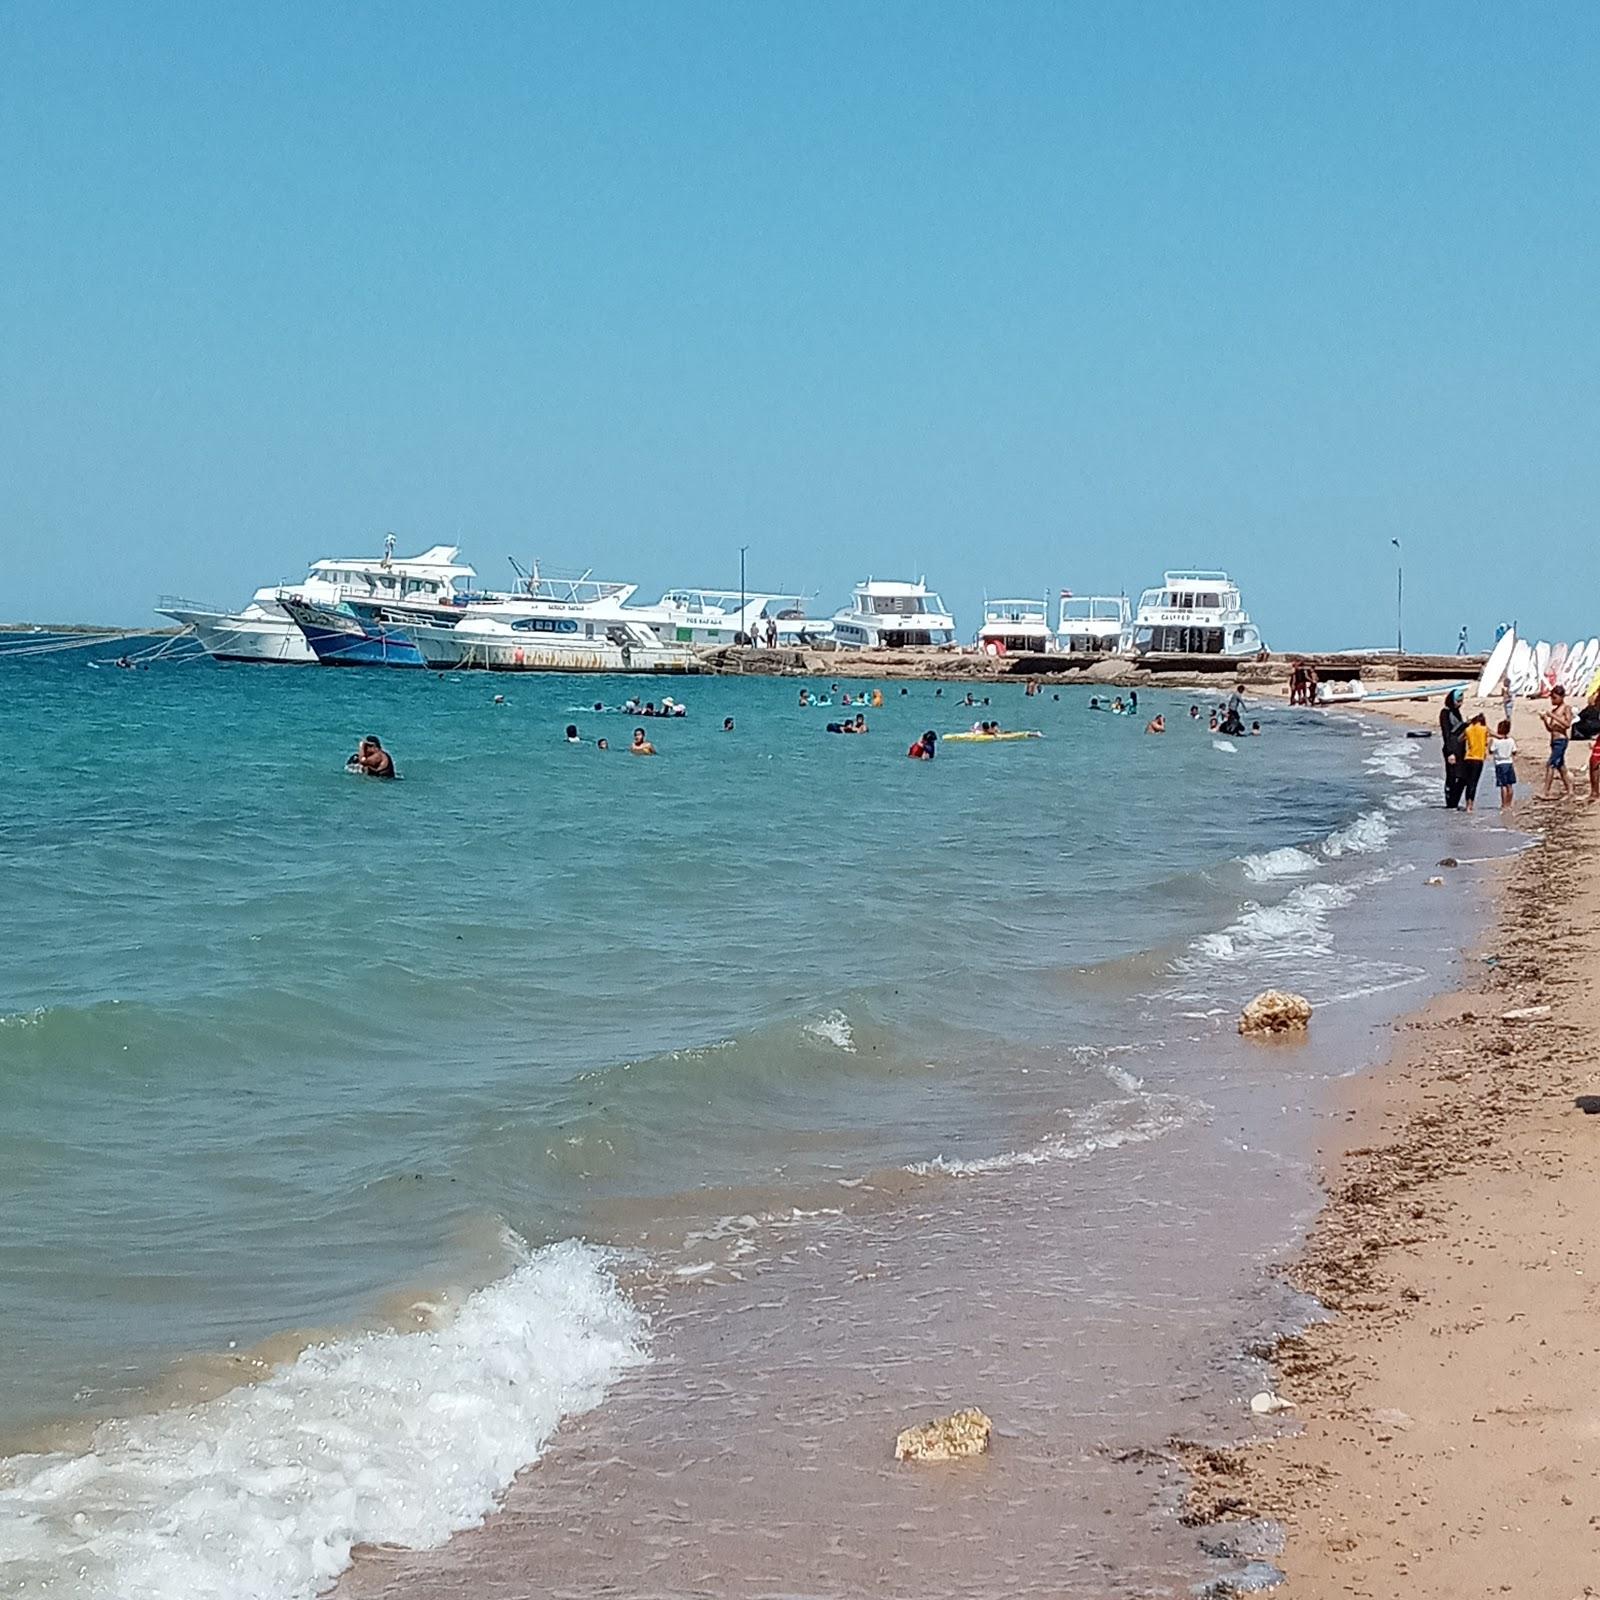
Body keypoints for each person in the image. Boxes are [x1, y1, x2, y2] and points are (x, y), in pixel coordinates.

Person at [1541, 685, 1573, 799]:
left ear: (1561, 697)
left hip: (1561, 740)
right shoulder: (1554, 710)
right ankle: (1570, 791)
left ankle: (1546, 791)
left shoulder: (1566, 708)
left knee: (1551, 764)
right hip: (1554, 740)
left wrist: (1552, 715)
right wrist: (1545, 720)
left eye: (1554, 698)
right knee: (1561, 767)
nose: (1552, 700)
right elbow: (1551, 728)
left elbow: (1567, 724)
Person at [1438, 688, 1468, 808]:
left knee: (1463, 776)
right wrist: (1450, 752)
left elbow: (1459, 728)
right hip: (1451, 749)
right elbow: (1447, 733)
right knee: (1452, 776)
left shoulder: (1456, 712)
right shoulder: (1445, 713)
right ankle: (1450, 803)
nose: (1460, 704)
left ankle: (1455, 801)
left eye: (1461, 701)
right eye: (1458, 701)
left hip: (1460, 748)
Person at [1461, 713, 1489, 811]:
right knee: (1474, 783)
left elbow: (1459, 739)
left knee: (1468, 782)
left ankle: (1467, 805)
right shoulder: (1484, 729)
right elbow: (1497, 735)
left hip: (1468, 758)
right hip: (1478, 759)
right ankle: (1470, 805)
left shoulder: (1468, 729)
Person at [1490, 719, 1517, 810]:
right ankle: (1509, 803)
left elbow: (1491, 751)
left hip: (1500, 763)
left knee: (1503, 785)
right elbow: (1514, 752)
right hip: (1509, 762)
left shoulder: (1495, 741)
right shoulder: (1511, 740)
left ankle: (1504, 804)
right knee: (1510, 785)